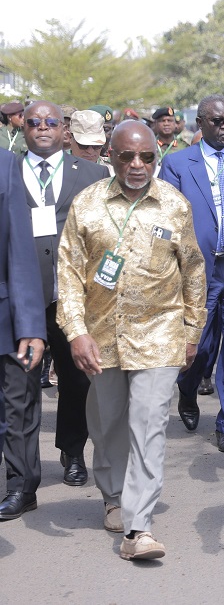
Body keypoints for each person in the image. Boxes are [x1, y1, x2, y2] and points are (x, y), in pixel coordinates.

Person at [57, 121, 207, 560]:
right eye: (127, 157)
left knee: (149, 423)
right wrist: (76, 331)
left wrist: (192, 331)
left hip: (160, 332)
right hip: (101, 336)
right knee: (108, 423)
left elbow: (193, 270)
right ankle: (113, 495)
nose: (137, 165)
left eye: (146, 157)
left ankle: (138, 527)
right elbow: (68, 274)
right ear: (111, 155)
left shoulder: (174, 205)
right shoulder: (87, 205)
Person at [0, 101, 108, 522]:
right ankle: (22, 481)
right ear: (23, 128)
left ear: (64, 130)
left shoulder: (92, 174)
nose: (42, 128)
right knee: (20, 392)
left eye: (50, 122)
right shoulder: (10, 170)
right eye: (34, 122)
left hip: (74, 299)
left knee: (77, 381)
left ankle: (72, 451)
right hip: (23, 299)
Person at [159, 95, 224, 452]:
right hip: (197, 272)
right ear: (200, 123)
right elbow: (166, 219)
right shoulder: (177, 163)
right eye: (218, 121)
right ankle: (187, 391)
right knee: (199, 348)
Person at [0, 146, 47, 517]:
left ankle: (21, 486)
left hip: (5, 315)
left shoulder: (5, 164)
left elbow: (19, 249)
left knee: (15, 406)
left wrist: (30, 326)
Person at [69, 110, 113, 174]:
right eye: (83, 145)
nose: (90, 151)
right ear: (70, 138)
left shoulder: (113, 172)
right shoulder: (58, 168)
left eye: (96, 146)